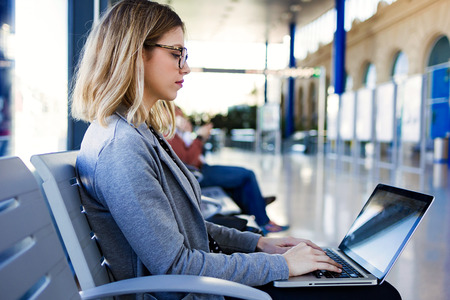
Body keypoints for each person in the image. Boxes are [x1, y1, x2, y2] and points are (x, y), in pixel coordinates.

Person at [71, 1, 401, 299]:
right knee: (380, 294)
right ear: (135, 53)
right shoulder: (122, 148)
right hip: (193, 292)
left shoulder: (136, 133)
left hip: (199, 285)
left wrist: (259, 244)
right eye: (176, 54)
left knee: (362, 284)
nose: (184, 67)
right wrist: (282, 267)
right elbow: (175, 268)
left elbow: (184, 230)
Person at [169, 107, 286, 234]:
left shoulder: (176, 132)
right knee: (247, 175)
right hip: (197, 173)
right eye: (177, 113)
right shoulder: (168, 133)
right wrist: (200, 138)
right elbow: (188, 160)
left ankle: (256, 204)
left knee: (240, 184)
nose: (181, 117)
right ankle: (262, 218)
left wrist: (188, 134)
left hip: (199, 169)